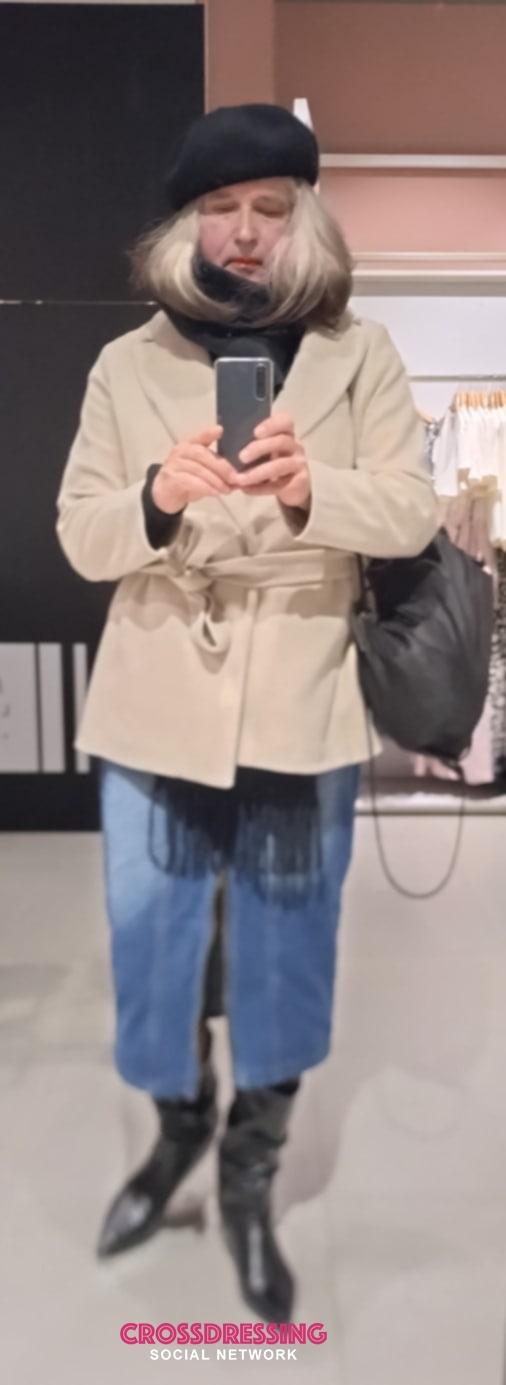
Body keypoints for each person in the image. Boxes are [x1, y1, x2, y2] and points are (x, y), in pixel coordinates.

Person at [56, 103, 437, 1322]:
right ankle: (175, 1130)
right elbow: (81, 535)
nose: (243, 232)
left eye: (270, 208)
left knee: (285, 946)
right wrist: (156, 500)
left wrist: (316, 488)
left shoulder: (359, 354)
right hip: (154, 701)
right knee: (152, 945)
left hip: (299, 702)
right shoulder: (126, 364)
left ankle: (248, 1173)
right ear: (185, 226)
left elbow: (409, 513)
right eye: (218, 209)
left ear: (303, 221)